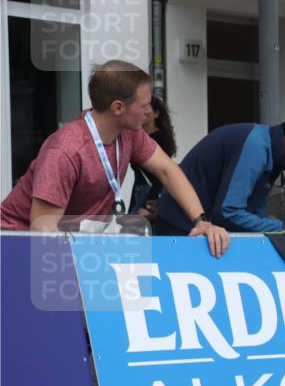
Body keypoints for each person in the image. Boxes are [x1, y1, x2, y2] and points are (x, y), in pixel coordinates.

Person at [0, 60, 229, 257]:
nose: (149, 111)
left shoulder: (129, 134)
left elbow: (168, 171)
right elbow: (43, 228)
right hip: (15, 243)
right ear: (118, 108)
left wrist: (201, 221)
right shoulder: (66, 150)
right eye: (144, 105)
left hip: (72, 244)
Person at [155, 115, 285, 235]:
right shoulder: (256, 147)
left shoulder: (270, 151)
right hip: (180, 228)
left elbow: (251, 215)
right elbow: (227, 213)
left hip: (194, 227)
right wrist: (283, 229)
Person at [128, 96, 177, 218]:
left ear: (156, 114)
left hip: (152, 193)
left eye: (146, 108)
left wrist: (149, 204)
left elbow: (162, 174)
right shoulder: (136, 137)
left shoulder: (162, 138)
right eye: (141, 108)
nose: (143, 112)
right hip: (139, 192)